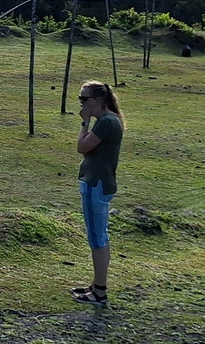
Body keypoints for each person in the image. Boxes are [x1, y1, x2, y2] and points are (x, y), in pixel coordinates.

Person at [72, 79, 125, 307]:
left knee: (97, 238)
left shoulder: (105, 123)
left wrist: (84, 122)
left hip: (96, 184)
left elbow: (82, 147)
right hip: (99, 183)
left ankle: (100, 291)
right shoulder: (109, 120)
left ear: (97, 100)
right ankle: (96, 285)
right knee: (100, 235)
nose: (81, 103)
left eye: (84, 99)